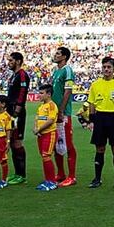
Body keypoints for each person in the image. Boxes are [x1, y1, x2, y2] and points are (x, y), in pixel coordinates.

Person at [87, 57, 114, 189]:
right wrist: (91, 120)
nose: (106, 69)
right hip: (100, 118)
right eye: (104, 67)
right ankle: (97, 178)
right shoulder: (95, 84)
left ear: (113, 69)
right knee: (100, 148)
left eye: (109, 67)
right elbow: (92, 104)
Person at [51, 47, 78, 187]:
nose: (55, 55)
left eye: (58, 54)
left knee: (67, 144)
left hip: (63, 113)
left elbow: (68, 91)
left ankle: (72, 176)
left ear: (64, 56)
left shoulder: (67, 70)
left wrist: (61, 110)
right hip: (53, 113)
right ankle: (61, 174)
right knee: (56, 144)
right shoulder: (55, 71)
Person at [5, 51, 31, 185]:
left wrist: (17, 110)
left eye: (11, 60)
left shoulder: (22, 74)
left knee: (17, 142)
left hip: (17, 112)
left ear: (18, 61)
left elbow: (22, 92)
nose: (8, 63)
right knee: (13, 141)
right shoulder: (14, 75)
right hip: (11, 111)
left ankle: (22, 175)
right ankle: (17, 173)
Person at [33, 84, 60, 192]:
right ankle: (47, 180)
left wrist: (38, 129)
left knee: (46, 156)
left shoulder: (52, 105)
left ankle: (52, 182)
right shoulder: (41, 106)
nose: (39, 95)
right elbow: (37, 118)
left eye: (41, 93)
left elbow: (50, 120)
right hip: (41, 135)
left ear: (48, 94)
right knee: (44, 157)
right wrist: (36, 128)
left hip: (50, 133)